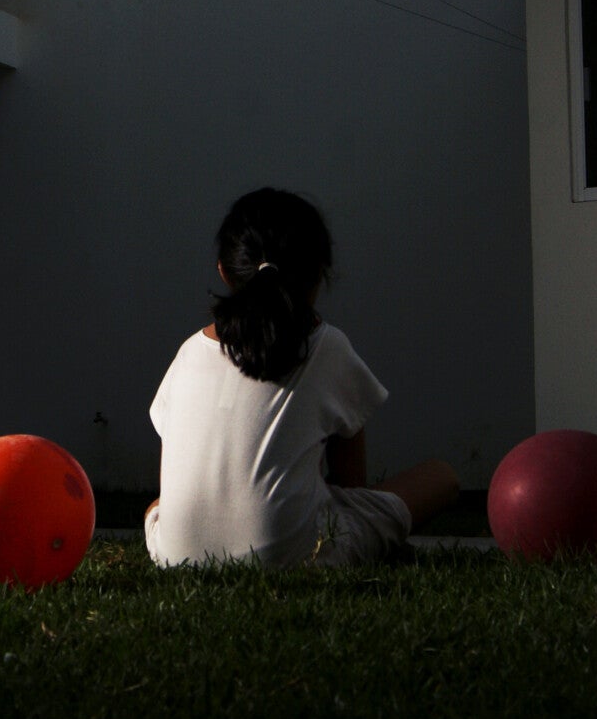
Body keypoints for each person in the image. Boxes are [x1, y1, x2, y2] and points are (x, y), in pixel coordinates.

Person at [144, 188, 460, 568]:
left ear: (224, 271)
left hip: (174, 555)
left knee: (159, 506)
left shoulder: (188, 353)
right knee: (441, 477)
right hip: (293, 554)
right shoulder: (327, 346)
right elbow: (351, 487)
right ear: (318, 277)